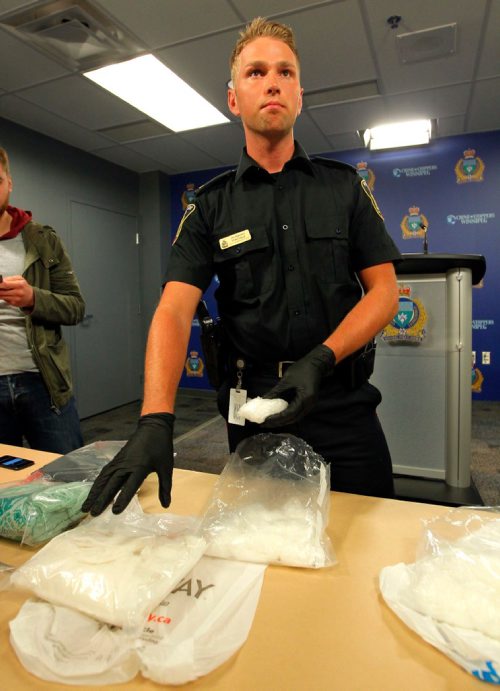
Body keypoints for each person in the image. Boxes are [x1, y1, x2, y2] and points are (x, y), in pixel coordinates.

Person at [82, 17, 401, 517]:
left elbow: (385, 292)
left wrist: (320, 359)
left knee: (373, 535)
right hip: (255, 409)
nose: (272, 81)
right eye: (255, 72)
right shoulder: (209, 206)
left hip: (342, 400)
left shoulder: (344, 188)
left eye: (285, 72)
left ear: (299, 94)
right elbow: (172, 310)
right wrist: (155, 420)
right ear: (233, 99)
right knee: (262, 555)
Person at [0, 146, 85, 454]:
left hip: (42, 381)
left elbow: (76, 307)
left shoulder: (42, 240)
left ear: (9, 182)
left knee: (68, 481)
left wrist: (32, 298)